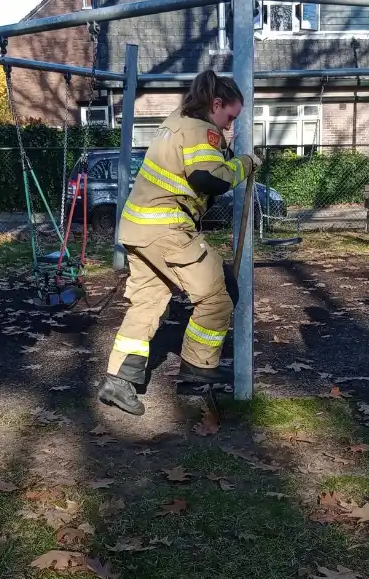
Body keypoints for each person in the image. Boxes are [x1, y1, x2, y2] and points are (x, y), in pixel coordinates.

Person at [98, 70, 260, 416]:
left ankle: (117, 381)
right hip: (165, 228)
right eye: (229, 116)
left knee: (147, 303)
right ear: (216, 104)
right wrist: (245, 164)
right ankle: (197, 368)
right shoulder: (203, 130)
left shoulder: (177, 120)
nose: (229, 127)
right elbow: (209, 179)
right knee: (218, 293)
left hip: (137, 228)